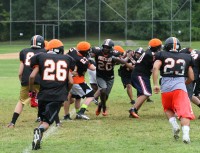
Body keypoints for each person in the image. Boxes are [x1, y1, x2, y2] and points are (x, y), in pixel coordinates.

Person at [29, 39, 75, 150]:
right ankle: (39, 131)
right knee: (47, 122)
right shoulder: (68, 59)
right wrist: (66, 91)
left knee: (42, 119)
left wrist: (31, 90)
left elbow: (31, 76)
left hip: (43, 94)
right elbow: (71, 82)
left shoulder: (41, 58)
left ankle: (37, 141)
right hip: (57, 95)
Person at [152, 36, 195, 144]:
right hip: (179, 87)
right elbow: (191, 77)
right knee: (184, 113)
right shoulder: (187, 57)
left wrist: (156, 84)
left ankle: (174, 125)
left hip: (165, 87)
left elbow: (156, 67)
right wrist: (183, 84)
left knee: (168, 109)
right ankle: (186, 136)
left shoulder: (161, 54)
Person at [7, 35, 46, 128]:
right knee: (43, 100)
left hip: (26, 80)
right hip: (40, 80)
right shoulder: (45, 52)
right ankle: (47, 120)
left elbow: (20, 72)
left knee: (21, 101)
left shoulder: (24, 52)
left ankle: (12, 122)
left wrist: (22, 81)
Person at [90, 39, 132, 116]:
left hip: (110, 77)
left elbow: (123, 61)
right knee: (102, 90)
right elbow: (89, 55)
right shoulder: (97, 52)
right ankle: (104, 107)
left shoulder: (114, 54)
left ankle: (100, 105)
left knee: (105, 95)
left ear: (111, 48)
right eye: (104, 47)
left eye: (108, 47)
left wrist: (128, 56)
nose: (106, 49)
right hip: (100, 76)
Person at [129, 38, 162, 118]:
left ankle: (134, 111)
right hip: (140, 75)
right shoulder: (151, 54)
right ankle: (133, 109)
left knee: (143, 94)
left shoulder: (149, 52)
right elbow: (155, 67)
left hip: (141, 75)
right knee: (146, 93)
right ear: (157, 47)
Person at [63, 41, 96, 120]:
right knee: (91, 95)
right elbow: (93, 68)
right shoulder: (82, 60)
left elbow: (64, 54)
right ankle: (81, 112)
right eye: (88, 50)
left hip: (68, 78)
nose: (89, 51)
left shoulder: (72, 50)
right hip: (77, 81)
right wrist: (91, 62)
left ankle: (67, 115)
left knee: (76, 97)